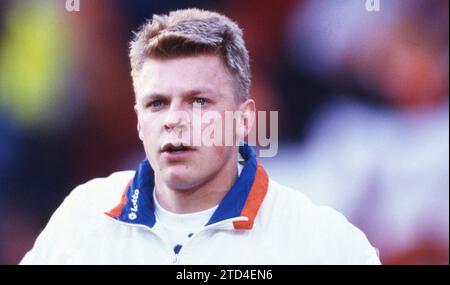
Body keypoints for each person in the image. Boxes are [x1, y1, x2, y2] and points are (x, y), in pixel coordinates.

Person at [20, 8, 380, 265]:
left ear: (244, 118)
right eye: (158, 102)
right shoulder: (83, 216)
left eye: (199, 101)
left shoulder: (322, 237)